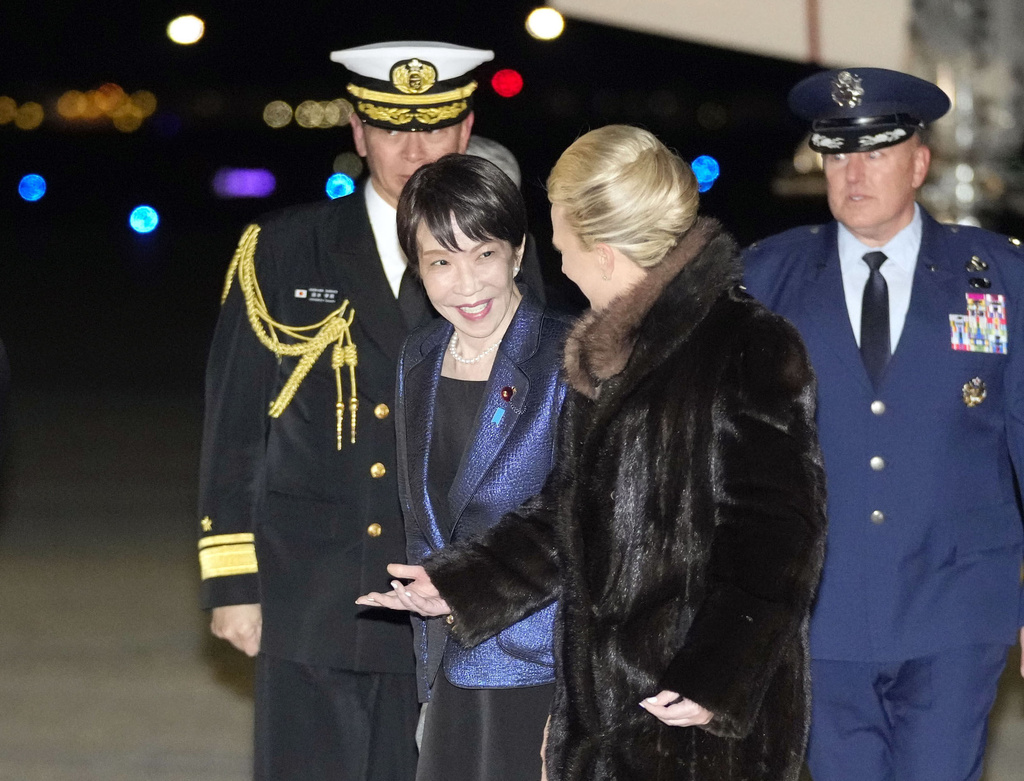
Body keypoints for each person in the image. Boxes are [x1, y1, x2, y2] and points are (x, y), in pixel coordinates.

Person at [361, 125, 827, 781]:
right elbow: (565, 515)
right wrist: (460, 584)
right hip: (610, 718)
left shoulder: (746, 346)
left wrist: (714, 676)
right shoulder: (604, 352)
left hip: (694, 725)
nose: (551, 247)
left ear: (601, 249)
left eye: (557, 228)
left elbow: (780, 535)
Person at [196, 41, 543, 780]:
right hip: (311, 591)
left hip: (451, 601)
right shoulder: (285, 248)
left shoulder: (503, 254)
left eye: (437, 127)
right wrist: (233, 582)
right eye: (392, 128)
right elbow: (236, 425)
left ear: (468, 128)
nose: (415, 149)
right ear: (357, 132)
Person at [744, 67, 1024, 781]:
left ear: (919, 162)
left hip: (956, 606)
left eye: (874, 152)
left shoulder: (994, 275)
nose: (853, 172)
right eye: (837, 154)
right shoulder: (769, 276)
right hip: (821, 610)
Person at [357, 152, 571, 781]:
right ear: (417, 271)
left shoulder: (569, 354)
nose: (468, 283)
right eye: (441, 262)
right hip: (448, 657)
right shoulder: (417, 356)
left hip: (544, 662)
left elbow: (585, 523)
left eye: (484, 253)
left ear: (518, 250)